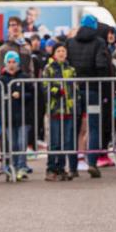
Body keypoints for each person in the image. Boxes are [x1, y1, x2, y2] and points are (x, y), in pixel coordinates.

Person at [66, 12, 112, 178]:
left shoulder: (70, 42)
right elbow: (101, 65)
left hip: (75, 91)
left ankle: (72, 167)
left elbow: (67, 65)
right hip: (93, 90)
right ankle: (92, 162)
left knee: (74, 127)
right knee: (93, 127)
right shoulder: (99, 43)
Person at [43, 42, 77, 181]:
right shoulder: (49, 68)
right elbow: (45, 87)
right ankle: (51, 168)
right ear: (54, 54)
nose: (61, 53)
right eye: (58, 51)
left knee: (66, 141)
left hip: (68, 110)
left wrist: (76, 104)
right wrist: (57, 91)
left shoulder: (71, 69)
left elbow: (75, 88)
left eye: (63, 51)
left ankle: (61, 168)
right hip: (55, 109)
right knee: (55, 141)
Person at [0, 50, 33, 181]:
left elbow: (32, 94)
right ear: (5, 64)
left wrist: (21, 95)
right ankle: (11, 166)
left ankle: (21, 166)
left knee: (21, 143)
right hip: (8, 117)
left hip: (23, 117)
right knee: (12, 144)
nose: (11, 65)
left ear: (18, 63)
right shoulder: (1, 80)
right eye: (9, 62)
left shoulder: (24, 77)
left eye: (14, 62)